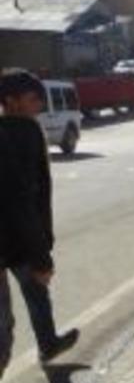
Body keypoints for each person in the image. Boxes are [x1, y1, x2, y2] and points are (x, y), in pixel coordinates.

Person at [0, 69, 78, 365]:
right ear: (12, 101)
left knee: (35, 293)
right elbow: (24, 200)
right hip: (19, 243)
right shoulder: (25, 133)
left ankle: (48, 342)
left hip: (17, 243)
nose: (40, 106)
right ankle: (48, 343)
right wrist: (42, 256)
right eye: (34, 99)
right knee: (2, 333)